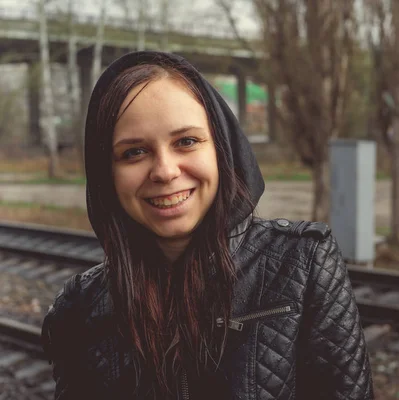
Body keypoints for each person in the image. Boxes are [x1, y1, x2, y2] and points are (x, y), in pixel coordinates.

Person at [41, 51, 373, 400]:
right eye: (134, 152)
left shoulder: (303, 264)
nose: (165, 171)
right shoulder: (78, 308)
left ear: (222, 149)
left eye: (186, 141)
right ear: (106, 174)